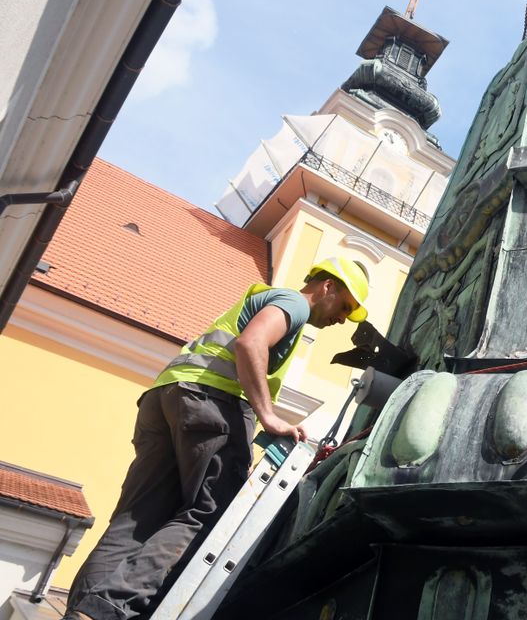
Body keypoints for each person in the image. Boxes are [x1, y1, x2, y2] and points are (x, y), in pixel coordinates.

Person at [64, 257, 370, 620]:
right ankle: (114, 605)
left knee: (138, 516)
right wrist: (268, 415)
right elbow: (250, 344)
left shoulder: (271, 299)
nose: (341, 319)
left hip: (168, 395)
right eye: (345, 306)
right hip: (213, 404)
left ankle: (85, 611)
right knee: (210, 513)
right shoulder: (294, 304)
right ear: (327, 286)